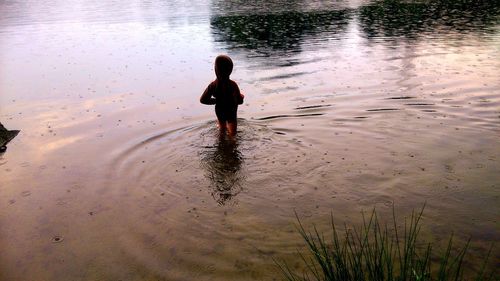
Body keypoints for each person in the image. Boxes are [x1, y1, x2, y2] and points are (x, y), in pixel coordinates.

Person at [200, 55, 244, 136]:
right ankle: (232, 141)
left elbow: (203, 100)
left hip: (220, 110)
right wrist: (241, 96)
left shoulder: (213, 85)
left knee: (222, 128)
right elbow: (240, 101)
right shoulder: (233, 84)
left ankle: (221, 140)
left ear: (216, 70)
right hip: (231, 109)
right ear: (230, 70)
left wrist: (217, 100)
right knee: (233, 131)